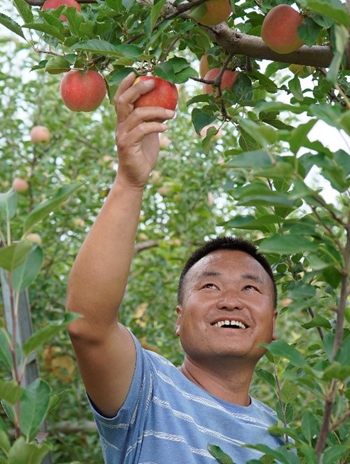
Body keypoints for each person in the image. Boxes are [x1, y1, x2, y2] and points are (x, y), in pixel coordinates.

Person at [66, 72, 285, 463]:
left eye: (250, 288)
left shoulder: (285, 442)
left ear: (273, 322)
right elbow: (88, 325)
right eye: (210, 287)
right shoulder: (147, 390)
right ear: (179, 319)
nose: (231, 301)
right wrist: (130, 182)